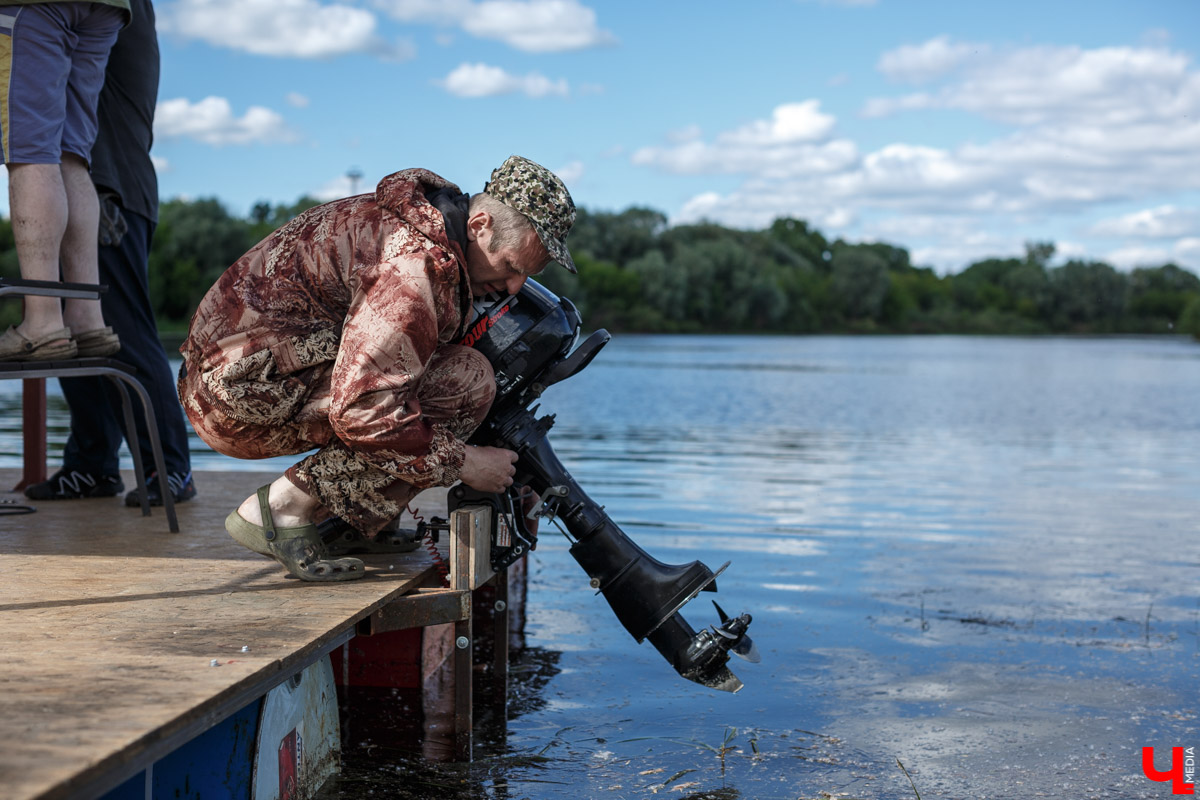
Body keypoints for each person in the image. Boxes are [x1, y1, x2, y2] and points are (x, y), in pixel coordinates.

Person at [178, 155, 576, 582]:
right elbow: (363, 411)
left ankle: (352, 521)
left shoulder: (428, 223)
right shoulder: (412, 266)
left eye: (527, 274)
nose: (515, 286)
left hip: (245, 374)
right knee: (465, 382)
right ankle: (279, 508)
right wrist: (466, 462)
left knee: (433, 368)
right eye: (512, 267)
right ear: (479, 225)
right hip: (234, 396)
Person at [23, 0, 197, 505]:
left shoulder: (116, 6)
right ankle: (93, 464)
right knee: (72, 334)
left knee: (120, 331)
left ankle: (169, 468)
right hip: (77, 196)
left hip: (107, 194)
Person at [0, 0, 129, 362]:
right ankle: (86, 318)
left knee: (30, 152)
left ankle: (42, 323)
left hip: (31, 4)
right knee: (71, 156)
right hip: (108, 6)